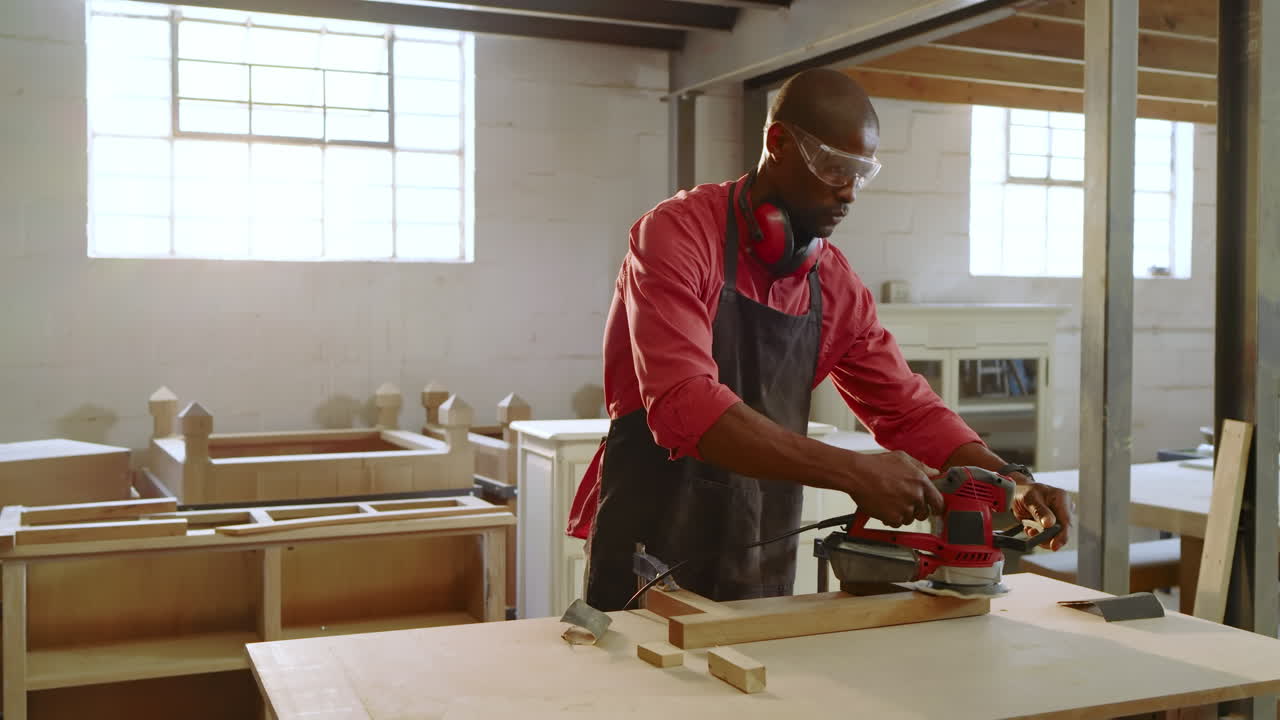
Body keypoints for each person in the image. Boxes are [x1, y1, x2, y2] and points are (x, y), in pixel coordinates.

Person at [566, 68, 1072, 612]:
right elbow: (685, 405)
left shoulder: (833, 284)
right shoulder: (676, 236)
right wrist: (854, 471)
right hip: (651, 543)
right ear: (778, 143)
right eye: (835, 168)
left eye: (862, 173)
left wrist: (1008, 479)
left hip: (759, 548)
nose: (850, 192)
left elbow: (908, 411)